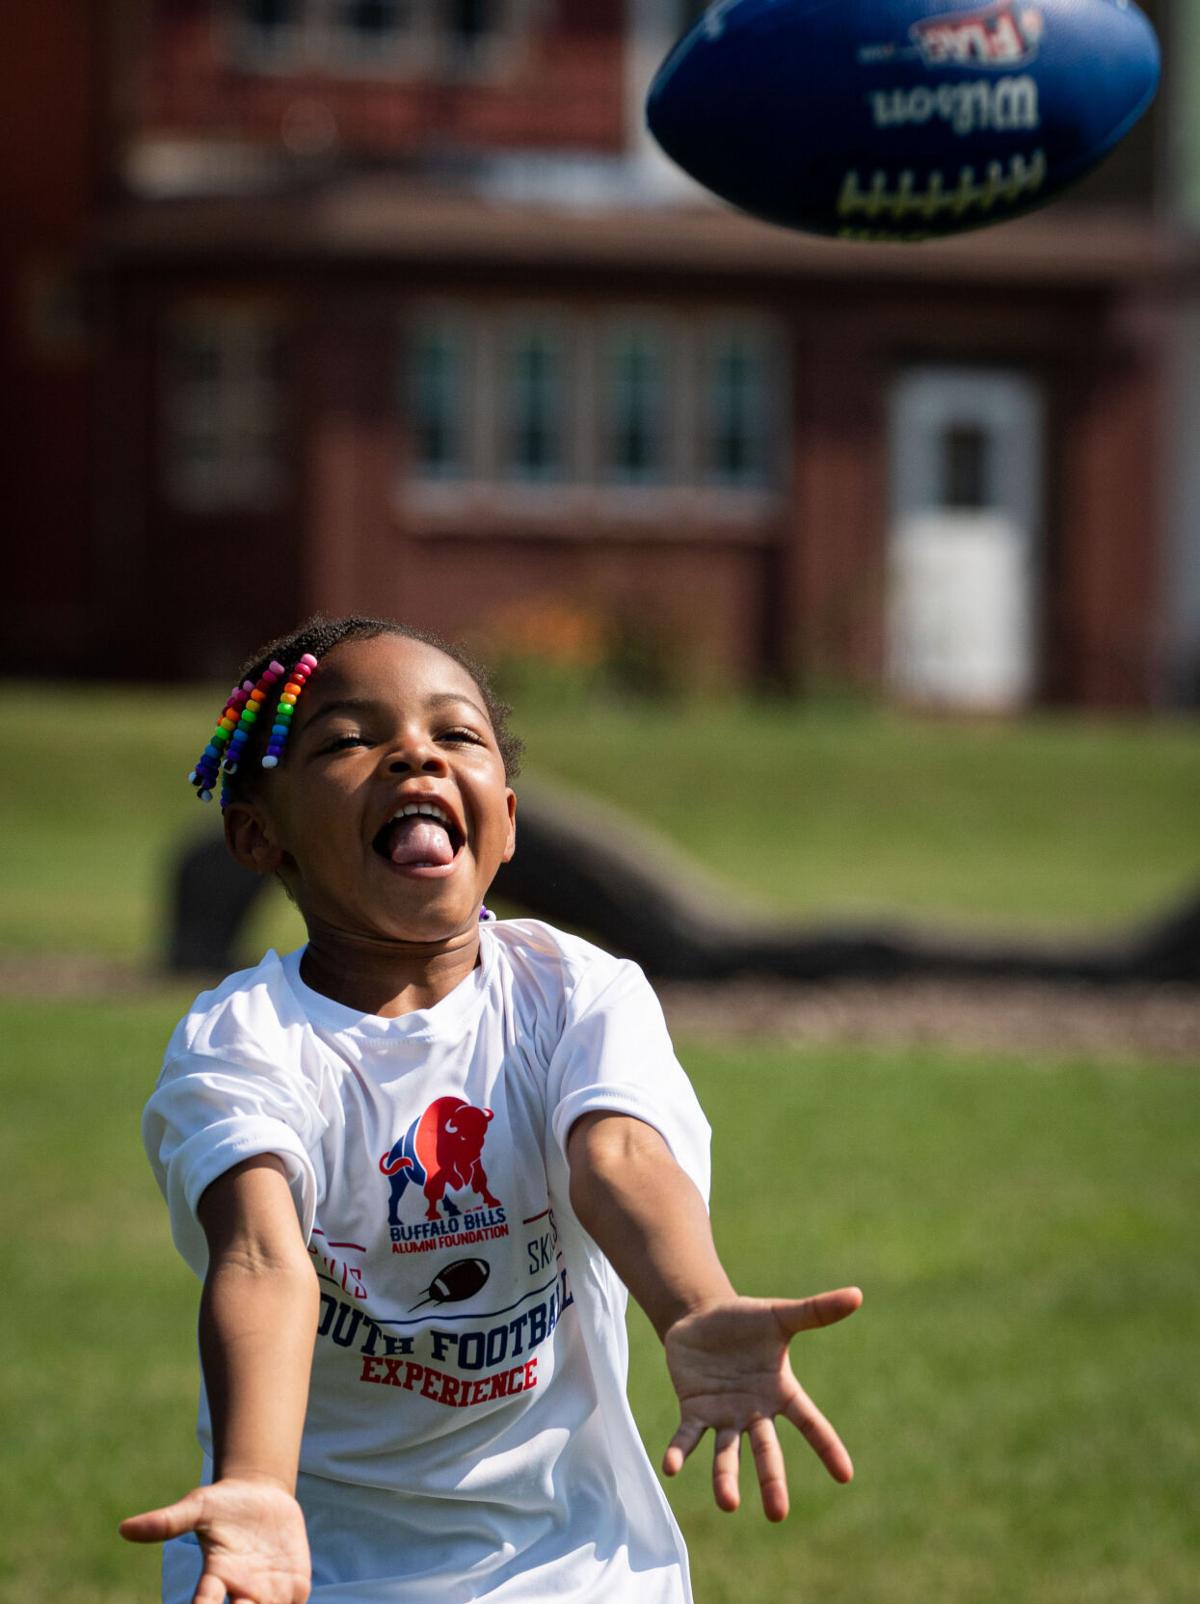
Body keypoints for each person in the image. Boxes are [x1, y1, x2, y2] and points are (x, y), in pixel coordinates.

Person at [121, 614, 862, 1604]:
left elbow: (621, 1158)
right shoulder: (246, 1041)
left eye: (455, 734)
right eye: (349, 740)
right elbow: (261, 1255)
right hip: (305, 1571)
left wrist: (694, 1301)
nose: (413, 753)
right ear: (258, 831)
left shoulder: (575, 991)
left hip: (573, 1569)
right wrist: (255, 1481)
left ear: (505, 822)